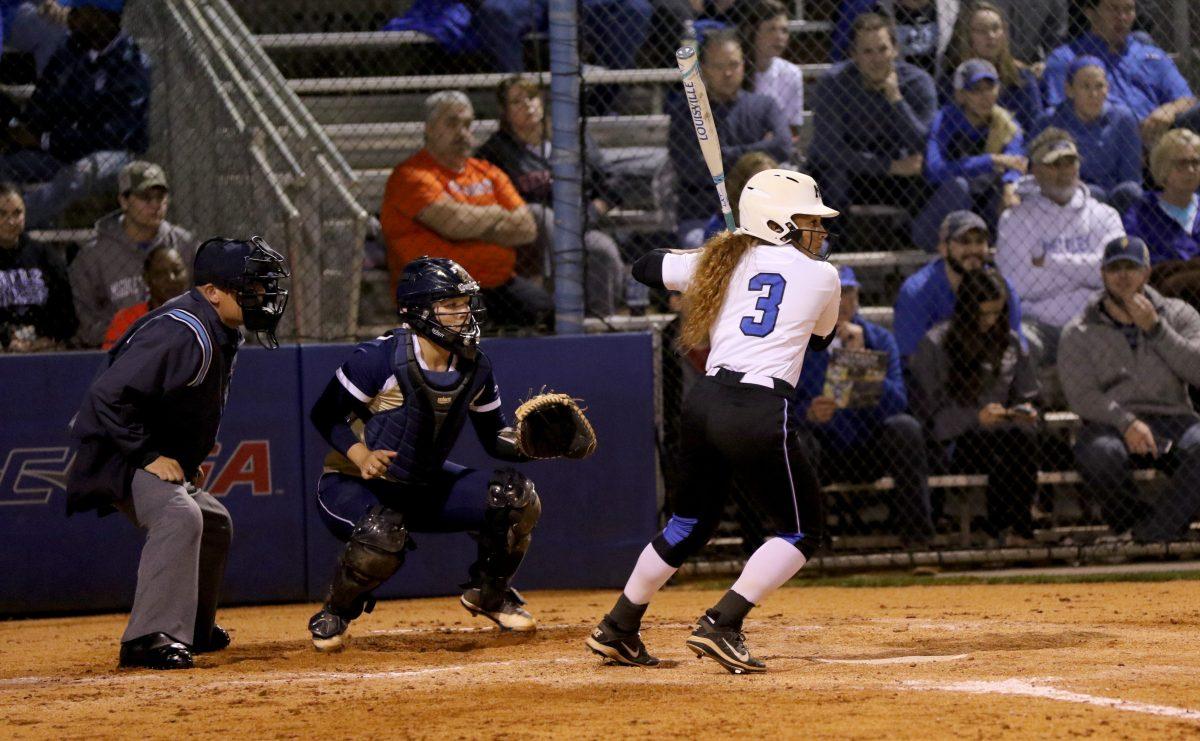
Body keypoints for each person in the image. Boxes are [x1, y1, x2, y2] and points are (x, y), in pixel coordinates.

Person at [585, 169, 839, 674]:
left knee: (689, 523)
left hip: (705, 401)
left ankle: (618, 626)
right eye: (809, 221)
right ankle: (723, 622)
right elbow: (819, 341)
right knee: (800, 532)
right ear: (779, 222)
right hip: (758, 409)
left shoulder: (721, 259)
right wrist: (737, 260)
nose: (820, 232)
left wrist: (717, 258)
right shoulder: (824, 276)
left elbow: (643, 266)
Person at [306, 256, 574, 651]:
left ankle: (490, 594)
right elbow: (324, 415)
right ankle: (335, 613)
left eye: (464, 304)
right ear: (416, 312)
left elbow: (493, 437)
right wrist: (361, 454)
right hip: (355, 483)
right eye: (449, 306)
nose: (462, 314)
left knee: (516, 497)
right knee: (381, 535)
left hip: (424, 484)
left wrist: (533, 445)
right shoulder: (378, 358)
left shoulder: (475, 365)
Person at [65, 237, 290, 670]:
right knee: (178, 515)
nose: (262, 298)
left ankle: (191, 630)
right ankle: (148, 637)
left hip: (138, 446)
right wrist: (147, 454)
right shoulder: (181, 330)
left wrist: (181, 459)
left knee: (213, 521)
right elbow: (105, 397)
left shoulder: (217, 326)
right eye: (251, 288)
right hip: (116, 452)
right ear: (212, 292)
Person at [1060, 236, 1200, 543]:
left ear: (1147, 273)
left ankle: (1148, 536)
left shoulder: (1178, 314)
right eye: (1115, 268)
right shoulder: (1079, 329)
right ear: (1102, 274)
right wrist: (1127, 422)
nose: (1123, 275)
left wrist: (1156, 329)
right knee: (1100, 455)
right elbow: (1081, 396)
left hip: (1174, 418)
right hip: (1110, 423)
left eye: (1131, 267)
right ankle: (1140, 527)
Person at [380, 91, 550, 330]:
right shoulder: (410, 175)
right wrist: (498, 215)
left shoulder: (487, 171)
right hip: (436, 290)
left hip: (496, 283)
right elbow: (454, 225)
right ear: (428, 129)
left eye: (467, 124)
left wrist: (473, 224)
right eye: (451, 123)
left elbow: (527, 229)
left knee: (547, 310)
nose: (462, 132)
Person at [793, 265, 934, 546]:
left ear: (858, 297)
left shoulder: (880, 339)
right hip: (826, 448)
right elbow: (783, 404)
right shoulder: (800, 344)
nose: (842, 302)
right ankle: (809, 543)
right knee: (799, 440)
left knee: (905, 428)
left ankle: (918, 541)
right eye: (834, 294)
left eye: (848, 293)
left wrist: (861, 361)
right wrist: (807, 413)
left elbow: (898, 404)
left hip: (870, 447)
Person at [475, 77, 627, 317]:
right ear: (504, 111)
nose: (528, 105)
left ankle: (599, 324)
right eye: (516, 101)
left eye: (532, 97)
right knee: (542, 215)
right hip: (529, 240)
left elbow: (611, 182)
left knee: (602, 249)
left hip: (580, 227)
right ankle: (555, 314)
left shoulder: (570, 136)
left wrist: (592, 212)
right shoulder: (494, 152)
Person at [909, 267, 1040, 544]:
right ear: (967, 309)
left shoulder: (1011, 342)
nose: (991, 321)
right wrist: (974, 418)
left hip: (1007, 435)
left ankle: (1010, 529)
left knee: (1022, 436)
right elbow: (929, 414)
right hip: (957, 443)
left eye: (997, 312)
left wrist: (1024, 410)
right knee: (1010, 441)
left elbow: (1027, 394)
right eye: (983, 314)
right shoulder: (936, 343)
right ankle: (1007, 528)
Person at [0, 0, 149, 227]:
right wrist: (19, 130)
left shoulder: (132, 64)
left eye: (80, 12)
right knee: (6, 165)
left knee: (78, 175)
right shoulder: (70, 49)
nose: (71, 17)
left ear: (102, 18)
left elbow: (111, 137)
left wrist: (45, 140)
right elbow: (43, 100)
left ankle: (14, 222)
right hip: (60, 149)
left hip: (111, 155)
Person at [996, 127, 1126, 369]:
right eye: (1054, 165)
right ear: (1034, 171)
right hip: (1037, 324)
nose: (1064, 172)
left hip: (1094, 321)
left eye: (1070, 163)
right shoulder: (1014, 219)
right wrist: (1087, 274)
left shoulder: (1104, 215)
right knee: (1017, 348)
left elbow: (1116, 275)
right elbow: (1019, 284)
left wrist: (1048, 261)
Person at [669, 29, 792, 248]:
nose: (727, 73)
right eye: (719, 66)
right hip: (704, 212)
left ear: (744, 66)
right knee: (697, 247)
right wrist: (757, 154)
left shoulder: (764, 106)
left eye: (734, 65)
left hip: (763, 213)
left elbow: (783, 147)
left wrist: (719, 155)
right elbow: (694, 169)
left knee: (808, 245)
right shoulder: (688, 114)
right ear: (703, 69)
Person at [807, 12, 938, 217]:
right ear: (854, 54)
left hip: (899, 174)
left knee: (929, 176)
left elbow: (925, 144)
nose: (876, 59)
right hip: (852, 171)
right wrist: (890, 166)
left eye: (883, 49)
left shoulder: (918, 82)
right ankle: (836, 247)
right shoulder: (833, 83)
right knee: (830, 177)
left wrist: (896, 100)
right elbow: (828, 150)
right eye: (867, 51)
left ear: (895, 49)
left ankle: (912, 243)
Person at [69, 161, 195, 348]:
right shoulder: (94, 255)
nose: (155, 205)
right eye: (145, 197)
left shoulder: (185, 245)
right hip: (118, 352)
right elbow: (87, 324)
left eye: (160, 197)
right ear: (124, 201)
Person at [1043, 0, 1195, 146]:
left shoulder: (1151, 56)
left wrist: (1169, 110)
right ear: (1090, 13)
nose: (1122, 17)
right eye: (1113, 9)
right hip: (1101, 144)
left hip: (1161, 142)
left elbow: (1187, 99)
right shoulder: (1066, 59)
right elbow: (1062, 115)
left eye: (1128, 9)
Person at [913, 58, 1026, 251]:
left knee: (1013, 192)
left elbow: (1016, 165)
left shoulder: (1007, 125)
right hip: (937, 224)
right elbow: (934, 171)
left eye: (989, 88)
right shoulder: (945, 121)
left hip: (984, 214)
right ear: (961, 95)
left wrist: (1009, 186)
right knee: (959, 186)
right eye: (976, 90)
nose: (985, 97)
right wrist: (990, 161)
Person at [895, 209, 1024, 358]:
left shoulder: (1002, 287)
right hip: (934, 373)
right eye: (964, 241)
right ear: (943, 248)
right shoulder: (917, 291)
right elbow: (911, 357)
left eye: (980, 241)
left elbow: (1017, 346)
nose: (974, 249)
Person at [1031, 56, 1143, 213]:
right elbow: (1035, 168)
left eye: (1099, 86)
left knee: (1131, 190)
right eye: (1085, 87)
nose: (1094, 94)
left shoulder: (1123, 119)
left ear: (1107, 88)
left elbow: (1130, 176)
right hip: (1069, 194)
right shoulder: (1050, 120)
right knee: (1092, 194)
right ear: (1069, 90)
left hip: (1116, 197)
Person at [941, 1, 1044, 133]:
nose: (991, 36)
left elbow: (1036, 125)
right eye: (982, 30)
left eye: (996, 28)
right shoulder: (954, 78)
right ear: (967, 36)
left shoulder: (1021, 76)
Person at [0, 182, 75, 350]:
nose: (10, 221)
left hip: (42, 344)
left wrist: (46, 339)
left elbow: (66, 312)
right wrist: (7, 339)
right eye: (2, 213)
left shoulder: (44, 255)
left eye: (17, 213)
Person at [1122, 128, 1200, 265]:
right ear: (1163, 167)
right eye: (1182, 163)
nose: (1190, 170)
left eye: (1195, 162)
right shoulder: (1141, 213)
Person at [738, 0, 805, 138]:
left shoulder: (791, 73)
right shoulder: (734, 69)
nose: (780, 37)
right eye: (772, 29)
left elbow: (793, 130)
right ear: (752, 30)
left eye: (784, 30)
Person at [101, 244, 189, 350]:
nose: (171, 279)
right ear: (147, 279)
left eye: (177, 270)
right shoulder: (126, 319)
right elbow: (111, 362)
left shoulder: (206, 315)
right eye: (160, 274)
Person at [701, 150, 778, 241]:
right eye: (759, 183)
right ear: (741, 184)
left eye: (771, 183)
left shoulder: (781, 222)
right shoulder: (720, 224)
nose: (766, 189)